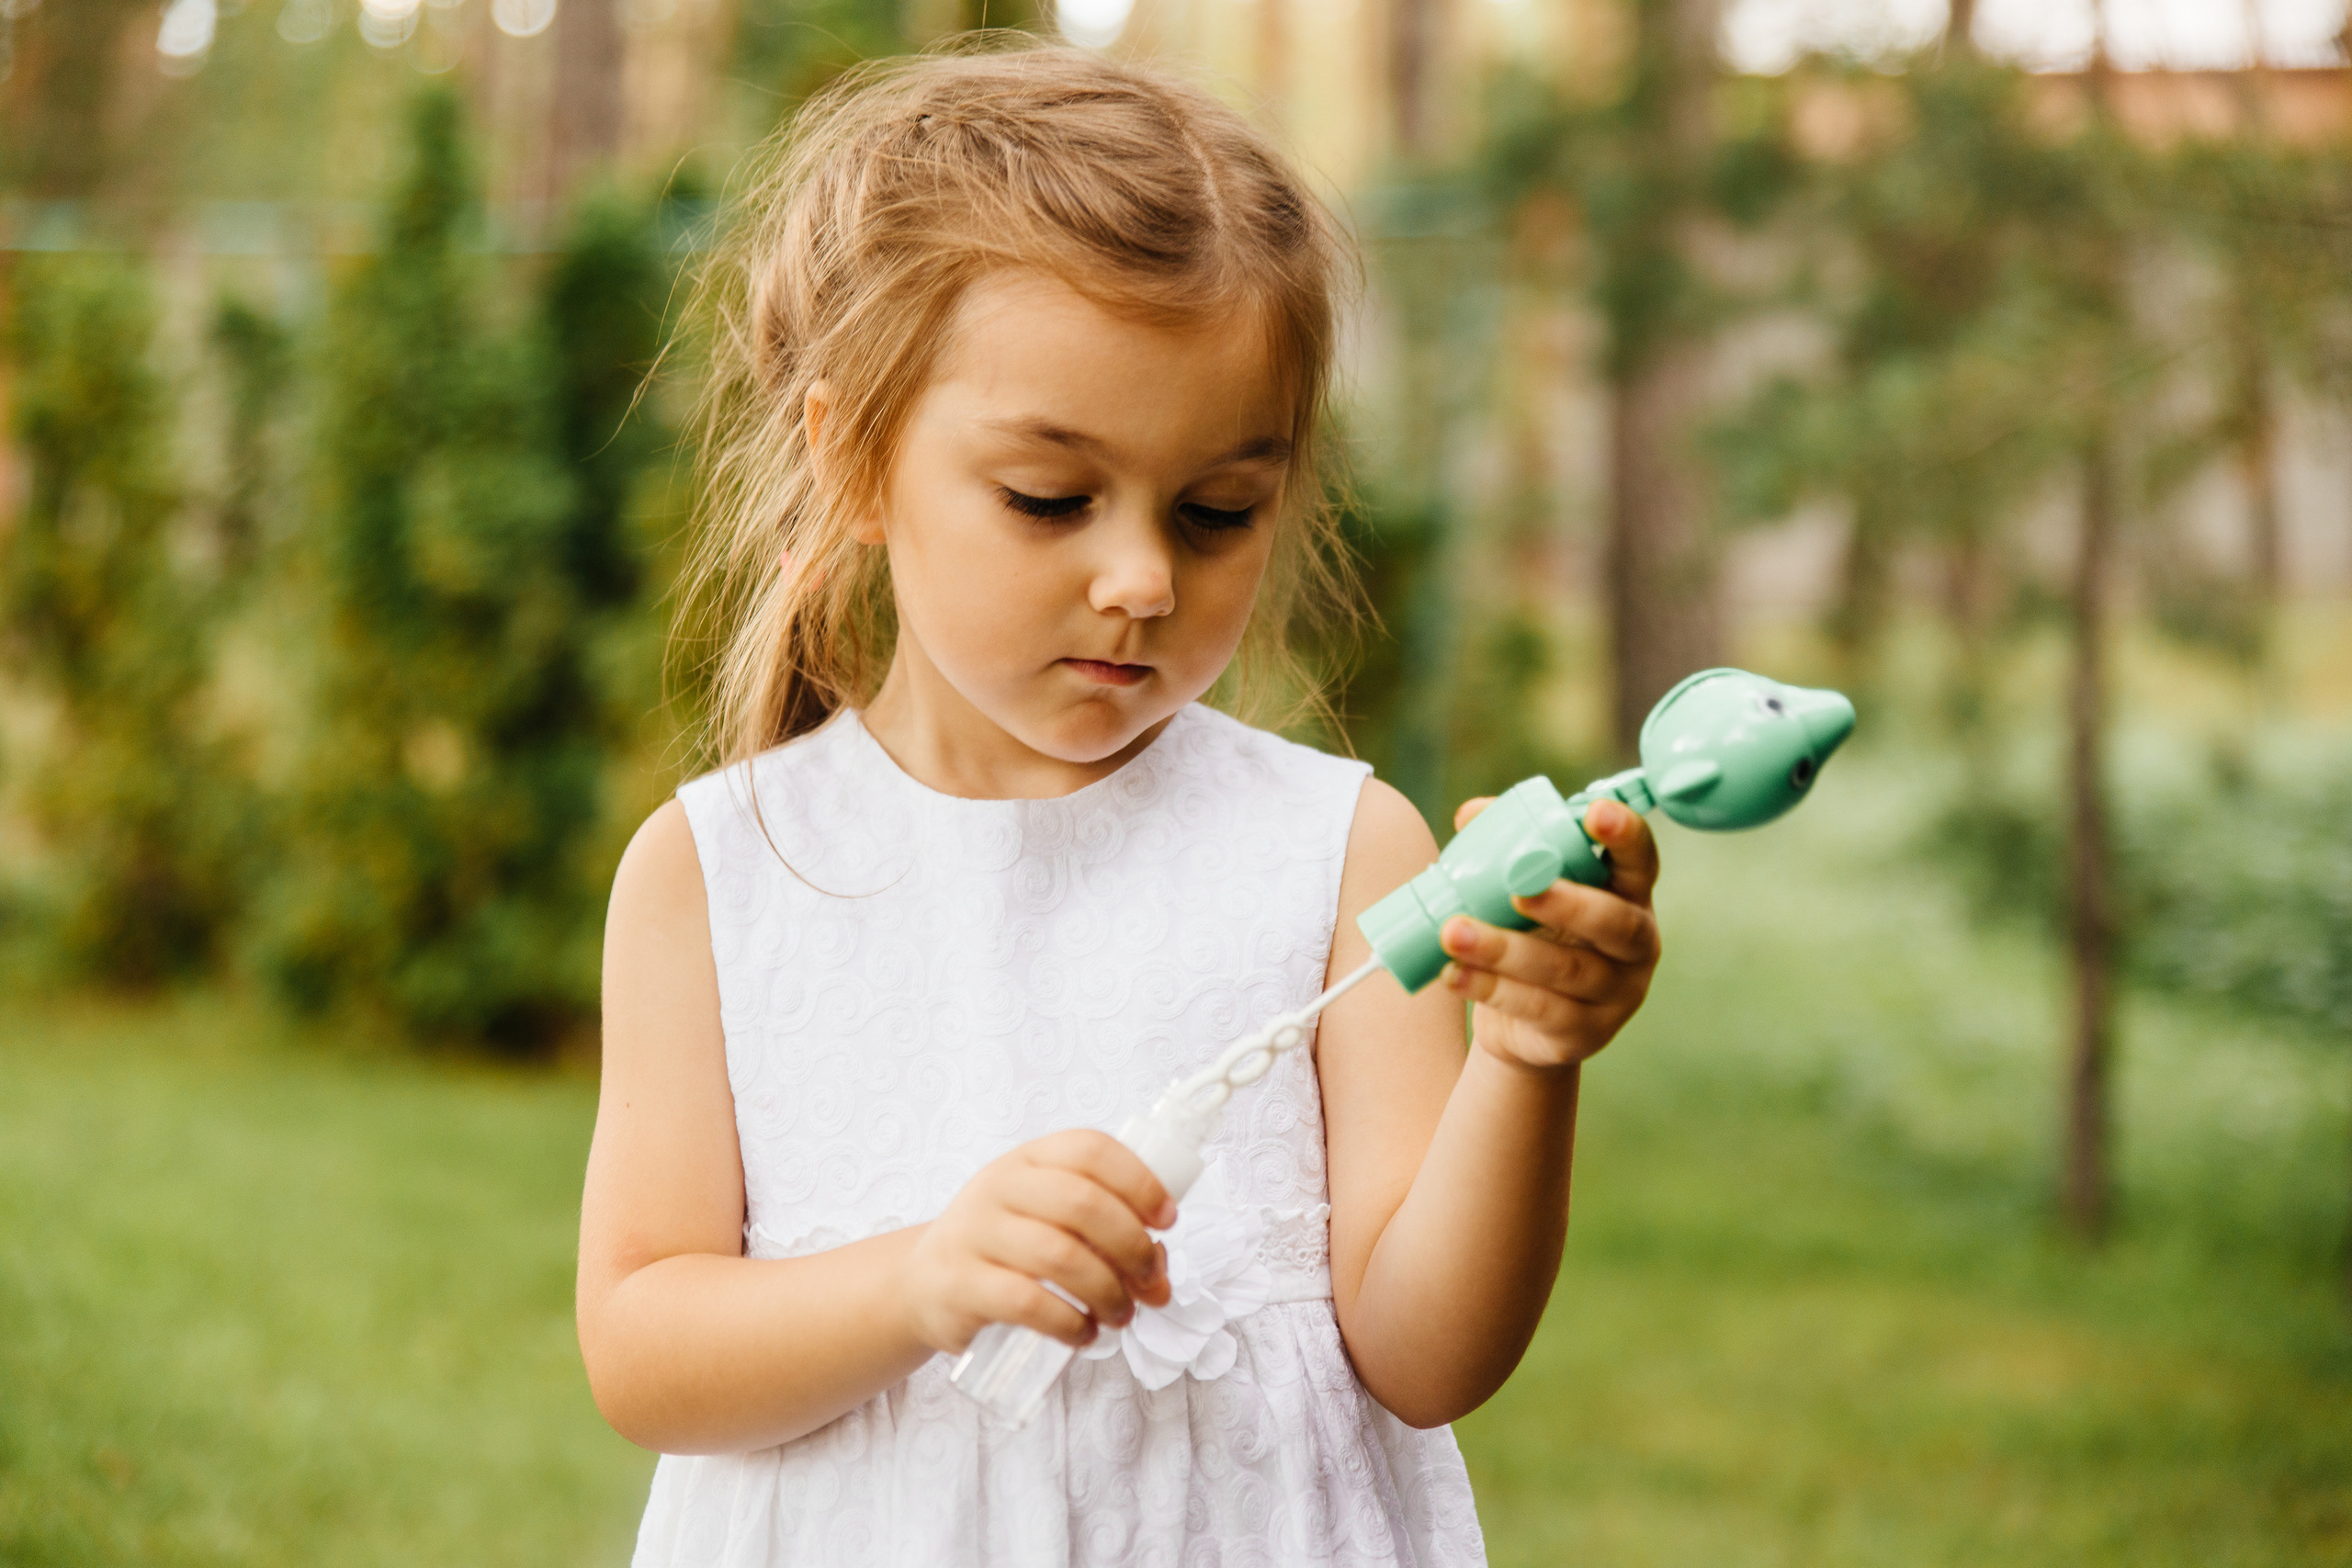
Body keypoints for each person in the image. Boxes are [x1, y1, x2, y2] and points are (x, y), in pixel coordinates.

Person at [578, 41, 1663, 1567]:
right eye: (1049, 497)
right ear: (855, 462)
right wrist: (918, 1281)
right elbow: (641, 1346)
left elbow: (1429, 1358)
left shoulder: (1343, 853)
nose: (1144, 578)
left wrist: (1533, 1057)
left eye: (1219, 511)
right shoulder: (720, 872)